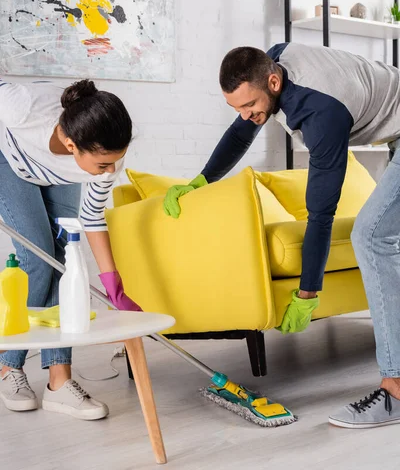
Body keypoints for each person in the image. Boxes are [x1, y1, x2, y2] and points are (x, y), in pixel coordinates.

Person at [163, 42, 400, 429]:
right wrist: (202, 181)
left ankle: (396, 391)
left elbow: (321, 214)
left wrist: (308, 293)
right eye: (237, 107)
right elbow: (242, 133)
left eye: (249, 105)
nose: (246, 115)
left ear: (274, 81)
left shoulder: (322, 113)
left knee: (371, 237)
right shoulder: (272, 61)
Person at [0, 78, 140, 420]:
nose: (111, 172)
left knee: (66, 261)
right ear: (71, 143)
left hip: (57, 173)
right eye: (103, 165)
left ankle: (59, 381)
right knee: (36, 257)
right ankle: (6, 366)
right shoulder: (24, 105)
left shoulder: (104, 162)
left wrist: (112, 281)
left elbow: (92, 219)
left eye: (115, 162)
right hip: (8, 157)